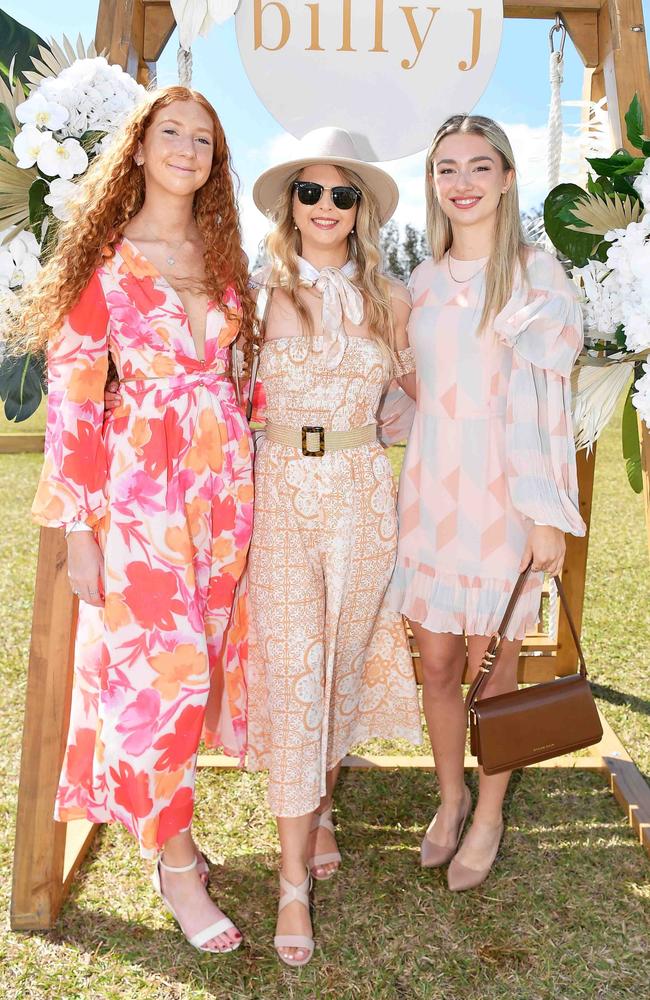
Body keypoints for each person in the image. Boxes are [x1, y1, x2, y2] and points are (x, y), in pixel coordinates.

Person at [19, 86, 256, 953]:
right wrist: (80, 527)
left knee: (210, 664)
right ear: (140, 145)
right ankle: (177, 863)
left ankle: (169, 825)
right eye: (172, 132)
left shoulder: (223, 254)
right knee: (174, 677)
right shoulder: (108, 260)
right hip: (143, 493)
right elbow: (75, 399)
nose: (188, 148)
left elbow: (241, 376)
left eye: (205, 137)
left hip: (225, 489)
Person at [386, 114, 586, 891]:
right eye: (446, 169)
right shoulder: (423, 281)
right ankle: (449, 796)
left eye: (478, 166)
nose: (462, 183)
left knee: (493, 666)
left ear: (507, 177)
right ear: (433, 184)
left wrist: (544, 515)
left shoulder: (539, 277)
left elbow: (549, 402)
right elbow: (414, 384)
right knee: (435, 660)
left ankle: (492, 812)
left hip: (506, 492)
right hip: (433, 483)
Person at [246, 128, 423, 965]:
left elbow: (424, 388)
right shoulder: (255, 288)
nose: (324, 207)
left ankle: (318, 808)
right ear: (292, 205)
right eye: (309, 193)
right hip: (279, 493)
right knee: (294, 671)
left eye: (341, 194)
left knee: (345, 658)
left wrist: (410, 410)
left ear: (362, 211)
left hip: (362, 496)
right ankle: (291, 884)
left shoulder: (390, 300)